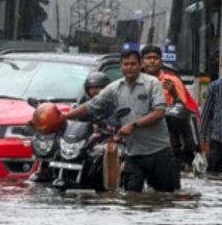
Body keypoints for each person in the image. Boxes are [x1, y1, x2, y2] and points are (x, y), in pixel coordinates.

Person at [64, 50, 179, 192]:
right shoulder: (115, 87)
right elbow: (89, 106)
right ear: (121, 66)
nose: (129, 67)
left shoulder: (152, 84)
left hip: (158, 151)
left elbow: (159, 113)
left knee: (164, 196)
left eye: (133, 64)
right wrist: (63, 117)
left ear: (140, 65)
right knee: (130, 196)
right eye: (126, 64)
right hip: (132, 153)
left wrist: (134, 125)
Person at [30, 71, 112, 184]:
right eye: (92, 88)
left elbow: (116, 121)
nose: (95, 91)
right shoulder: (83, 106)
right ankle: (47, 171)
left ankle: (100, 180)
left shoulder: (111, 105)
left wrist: (106, 125)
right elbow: (73, 119)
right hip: (83, 141)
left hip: (104, 139)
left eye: (99, 88)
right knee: (57, 147)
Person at [140, 45, 199, 114]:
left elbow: (183, 108)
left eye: (155, 58)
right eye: (148, 58)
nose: (152, 61)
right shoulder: (136, 81)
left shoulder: (172, 80)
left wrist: (174, 93)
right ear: (142, 63)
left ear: (161, 62)